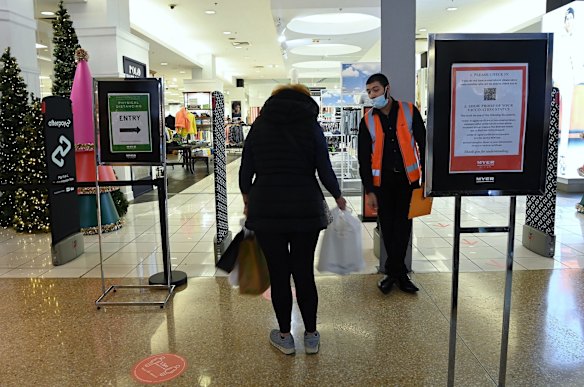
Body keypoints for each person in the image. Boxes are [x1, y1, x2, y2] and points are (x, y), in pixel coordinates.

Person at [239, 83, 347, 355]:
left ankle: (285, 336)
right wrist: (337, 196)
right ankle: (311, 335)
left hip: (266, 206)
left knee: (278, 273)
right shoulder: (310, 126)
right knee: (303, 272)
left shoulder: (259, 126)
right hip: (305, 206)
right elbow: (324, 167)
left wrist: (247, 196)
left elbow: (245, 168)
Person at [357, 73, 426, 295]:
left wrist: (426, 180)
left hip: (409, 181)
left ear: (387, 88)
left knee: (403, 227)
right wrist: (368, 189)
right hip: (382, 183)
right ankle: (398, 273)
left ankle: (394, 273)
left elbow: (424, 145)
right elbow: (363, 159)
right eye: (369, 91)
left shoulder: (409, 110)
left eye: (375, 90)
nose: (372, 95)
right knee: (387, 227)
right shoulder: (367, 120)